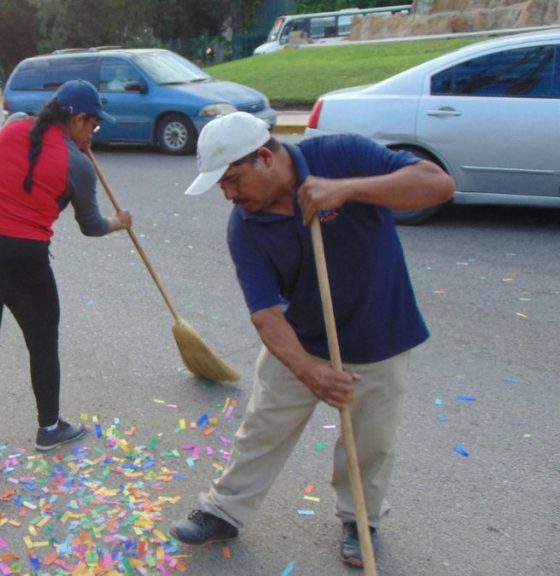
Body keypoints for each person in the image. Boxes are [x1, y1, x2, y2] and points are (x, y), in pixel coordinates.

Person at [170, 112, 454, 569]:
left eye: (232, 180)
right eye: (221, 185)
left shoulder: (342, 155)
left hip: (380, 331)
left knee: (370, 443)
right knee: (262, 428)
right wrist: (309, 369)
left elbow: (437, 185)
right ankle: (224, 510)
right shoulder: (245, 226)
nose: (229, 194)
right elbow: (264, 313)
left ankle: (360, 520)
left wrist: (347, 189)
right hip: (300, 340)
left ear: (264, 157)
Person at [0, 80, 133, 452]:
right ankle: (49, 428)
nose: (94, 131)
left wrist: (72, 145)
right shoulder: (77, 165)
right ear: (78, 118)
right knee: (42, 343)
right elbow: (91, 227)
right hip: (22, 261)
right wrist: (118, 223)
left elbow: (30, 144)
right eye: (93, 125)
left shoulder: (13, 126)